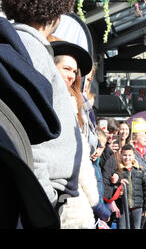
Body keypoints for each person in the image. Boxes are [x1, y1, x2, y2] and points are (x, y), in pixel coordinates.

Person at [0, 0, 83, 210]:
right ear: (55, 12)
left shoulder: (15, 44)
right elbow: (26, 132)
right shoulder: (30, 52)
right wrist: (44, 196)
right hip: (37, 197)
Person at [48, 38, 100, 229]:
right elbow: (78, 156)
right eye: (66, 69)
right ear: (52, 66)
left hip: (73, 195)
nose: (71, 75)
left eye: (74, 71)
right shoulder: (53, 99)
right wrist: (95, 200)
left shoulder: (74, 102)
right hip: (62, 194)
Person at [117, 144, 146, 229]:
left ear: (133, 156)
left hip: (137, 206)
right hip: (122, 206)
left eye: (129, 155)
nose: (127, 158)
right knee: (122, 227)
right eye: (125, 155)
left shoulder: (141, 170)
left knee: (136, 227)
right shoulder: (118, 170)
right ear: (121, 155)